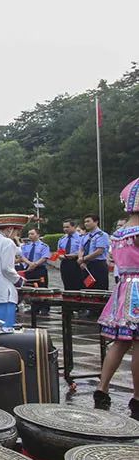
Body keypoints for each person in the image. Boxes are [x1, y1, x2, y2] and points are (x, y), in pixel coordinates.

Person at [94, 177, 139, 419]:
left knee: (120, 343)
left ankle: (101, 388)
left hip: (123, 289)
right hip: (138, 289)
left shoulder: (119, 234)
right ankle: (138, 397)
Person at [21, 228, 51, 316]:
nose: (30, 236)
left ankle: (44, 307)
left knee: (42, 288)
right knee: (30, 288)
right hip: (29, 269)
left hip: (40, 269)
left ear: (38, 235)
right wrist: (29, 264)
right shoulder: (26, 246)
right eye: (29, 234)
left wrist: (35, 264)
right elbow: (23, 256)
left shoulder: (43, 246)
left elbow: (45, 257)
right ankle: (34, 307)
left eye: (32, 234)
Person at [79, 214, 111, 291]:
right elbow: (81, 249)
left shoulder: (102, 235)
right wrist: (80, 259)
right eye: (85, 222)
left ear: (96, 222)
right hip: (86, 265)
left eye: (88, 221)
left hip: (98, 265)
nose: (86, 224)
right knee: (87, 287)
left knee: (99, 288)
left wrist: (84, 258)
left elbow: (99, 251)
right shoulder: (85, 236)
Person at [57, 219, 83, 291]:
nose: (65, 229)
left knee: (78, 284)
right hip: (65, 263)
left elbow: (84, 250)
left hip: (77, 262)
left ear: (74, 226)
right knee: (67, 284)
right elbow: (60, 252)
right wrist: (61, 256)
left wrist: (75, 255)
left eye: (67, 227)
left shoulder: (81, 238)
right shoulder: (62, 239)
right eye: (64, 227)